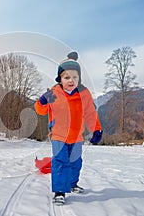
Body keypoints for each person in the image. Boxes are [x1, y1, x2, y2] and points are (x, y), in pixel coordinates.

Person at [34, 51, 103, 205]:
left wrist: (96, 129)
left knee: (76, 162)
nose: (71, 80)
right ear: (60, 79)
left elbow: (91, 113)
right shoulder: (53, 93)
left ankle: (72, 183)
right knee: (60, 161)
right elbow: (40, 110)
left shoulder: (84, 93)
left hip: (77, 136)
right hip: (58, 135)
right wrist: (42, 101)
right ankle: (59, 191)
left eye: (74, 77)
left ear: (79, 78)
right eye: (66, 77)